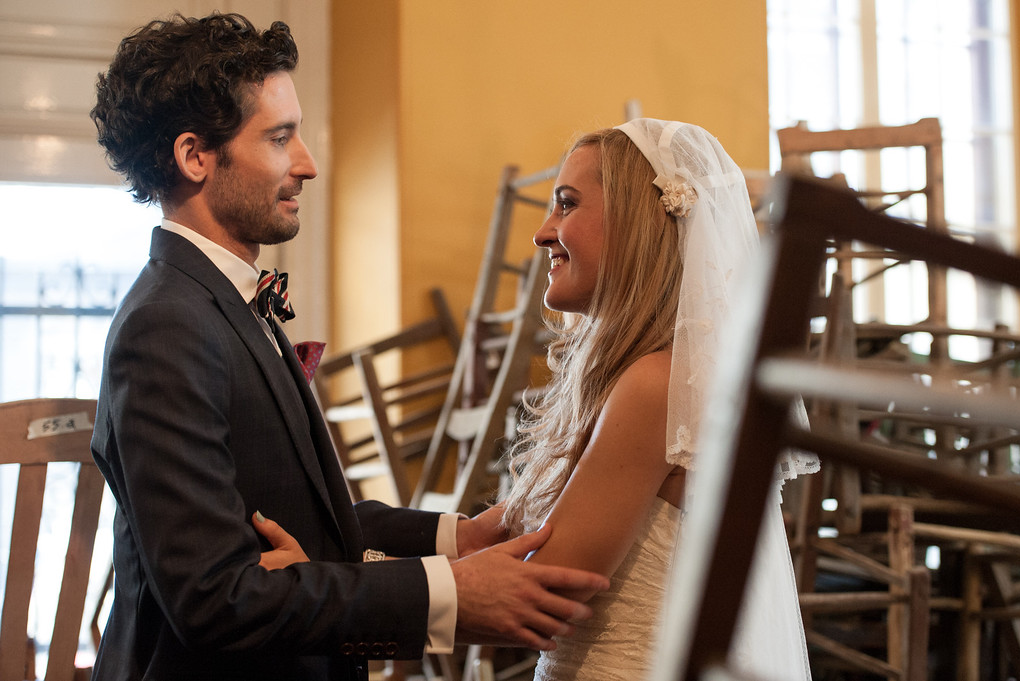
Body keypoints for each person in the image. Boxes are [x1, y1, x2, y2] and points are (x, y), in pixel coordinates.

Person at [88, 12, 607, 681]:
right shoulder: (163, 327)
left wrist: (459, 537)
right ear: (195, 157)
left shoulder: (224, 305)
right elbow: (215, 598)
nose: (307, 162)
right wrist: (449, 596)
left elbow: (302, 513)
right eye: (280, 138)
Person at [499, 119, 820, 680]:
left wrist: (374, 583)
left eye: (566, 205)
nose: (543, 232)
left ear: (636, 223)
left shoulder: (656, 386)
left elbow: (545, 586)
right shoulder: (665, 374)